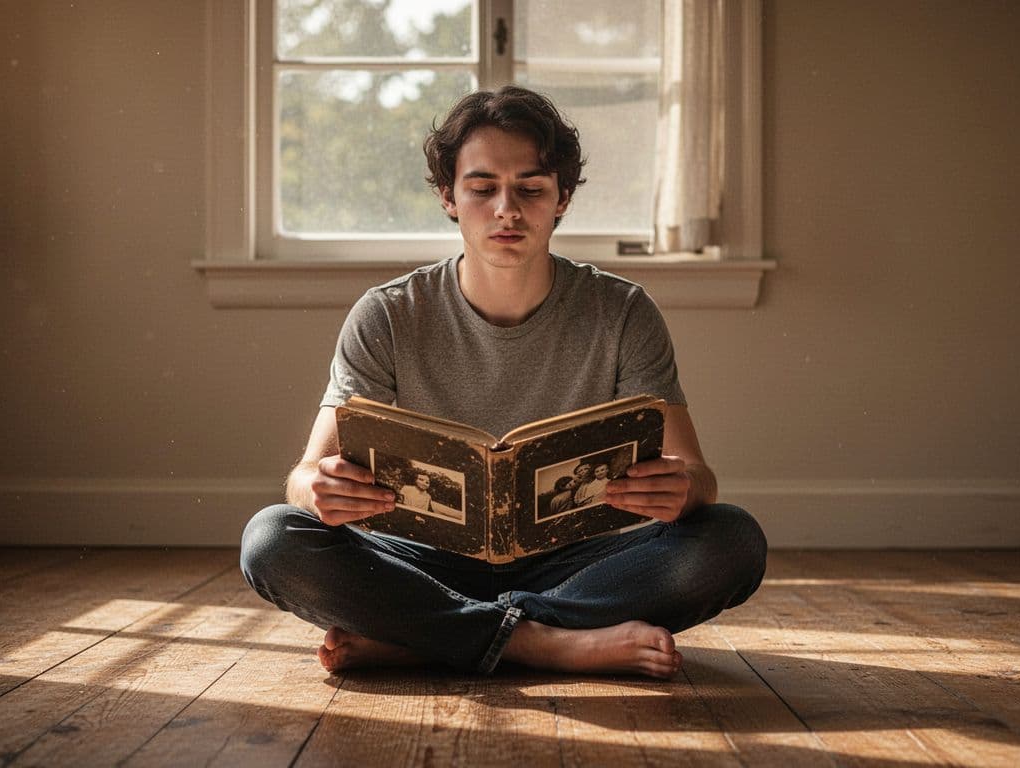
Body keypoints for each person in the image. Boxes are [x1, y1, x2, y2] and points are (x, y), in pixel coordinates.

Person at [241, 85, 766, 679]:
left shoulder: (623, 311)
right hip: (422, 559)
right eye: (483, 188)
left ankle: (432, 636)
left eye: (531, 189)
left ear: (562, 197)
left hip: (577, 563)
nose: (506, 211)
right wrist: (321, 490)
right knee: (271, 539)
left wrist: (681, 489)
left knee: (732, 541)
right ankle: (550, 641)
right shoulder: (386, 313)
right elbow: (304, 477)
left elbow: (698, 475)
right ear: (448, 196)